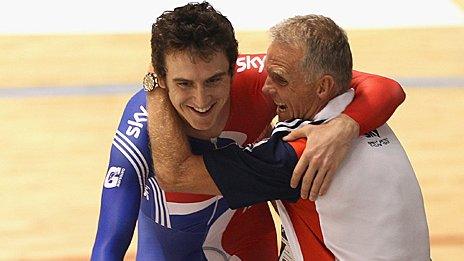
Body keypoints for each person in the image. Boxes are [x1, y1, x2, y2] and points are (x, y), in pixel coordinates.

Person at [92, 2, 406, 260]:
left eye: (214, 80)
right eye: (184, 84)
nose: (201, 101)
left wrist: (345, 126)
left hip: (250, 242)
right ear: (160, 78)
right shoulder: (143, 118)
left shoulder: (263, 80)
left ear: (233, 68)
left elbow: (385, 87)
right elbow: (108, 244)